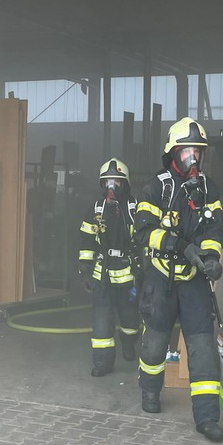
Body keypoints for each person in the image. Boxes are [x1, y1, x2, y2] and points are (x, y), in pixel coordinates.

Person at [133, 118, 223, 442]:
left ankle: (207, 418)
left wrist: (211, 258)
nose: (192, 158)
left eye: (197, 152)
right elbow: (143, 231)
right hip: (161, 277)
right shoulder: (156, 187)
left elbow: (214, 229)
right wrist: (179, 245)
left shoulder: (209, 189)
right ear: (173, 153)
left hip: (194, 279)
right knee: (155, 342)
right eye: (187, 151)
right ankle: (149, 391)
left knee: (202, 348)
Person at [77, 158, 141, 377]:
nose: (111, 186)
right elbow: (86, 241)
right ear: (102, 184)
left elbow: (144, 241)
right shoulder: (96, 209)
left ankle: (129, 343)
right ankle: (102, 363)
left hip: (128, 277)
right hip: (102, 276)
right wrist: (85, 270)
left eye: (116, 182)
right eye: (107, 182)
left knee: (130, 320)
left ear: (125, 183)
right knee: (102, 323)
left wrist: (144, 273)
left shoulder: (135, 209)